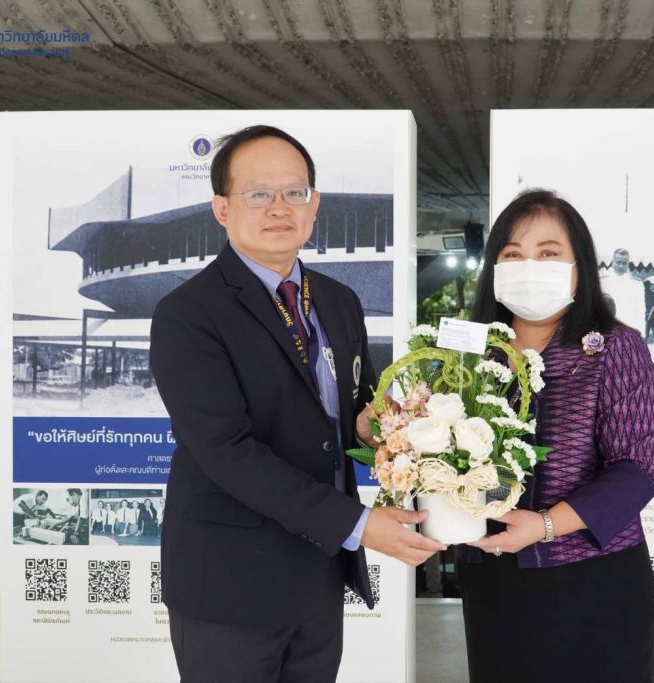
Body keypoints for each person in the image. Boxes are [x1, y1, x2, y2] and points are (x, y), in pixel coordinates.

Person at [149, 124, 444, 683]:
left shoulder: (339, 300)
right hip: (229, 581)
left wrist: (380, 428)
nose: (279, 207)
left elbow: (354, 407)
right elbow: (226, 451)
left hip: (319, 571)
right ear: (221, 208)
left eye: (294, 192)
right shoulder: (187, 314)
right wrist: (359, 524)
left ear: (315, 204)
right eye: (258, 193)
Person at [457, 189, 654, 683]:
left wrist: (544, 525)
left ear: (579, 266)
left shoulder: (613, 347)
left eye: (548, 253)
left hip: (591, 578)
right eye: (513, 254)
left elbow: (639, 469)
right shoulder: (466, 351)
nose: (529, 266)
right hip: (490, 576)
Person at [600, 248, 646, 332]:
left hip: (628, 329)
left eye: (624, 263)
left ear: (628, 264)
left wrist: (641, 334)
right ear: (612, 262)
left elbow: (640, 312)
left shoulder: (636, 284)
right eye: (618, 262)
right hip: (607, 329)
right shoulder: (603, 282)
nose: (621, 266)